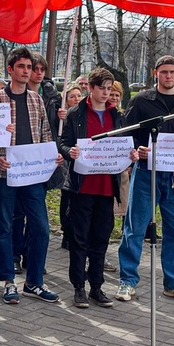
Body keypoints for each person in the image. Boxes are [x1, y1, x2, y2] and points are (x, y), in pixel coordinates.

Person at [114, 55, 174, 304]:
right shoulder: (142, 100)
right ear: (156, 73)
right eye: (164, 72)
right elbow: (127, 132)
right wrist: (135, 150)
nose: (169, 76)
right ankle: (127, 280)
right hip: (145, 173)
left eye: (172, 72)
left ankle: (173, 283)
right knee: (135, 228)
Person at [0, 47, 64, 304]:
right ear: (10, 69)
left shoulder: (35, 99)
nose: (26, 71)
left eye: (29, 67)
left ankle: (34, 282)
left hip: (31, 173)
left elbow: (44, 133)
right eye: (21, 67)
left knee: (41, 228)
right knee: (6, 227)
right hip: (4, 173)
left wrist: (50, 156)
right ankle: (9, 281)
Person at [60, 68, 134, 308]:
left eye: (109, 88)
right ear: (90, 88)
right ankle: (78, 286)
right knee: (79, 238)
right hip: (83, 186)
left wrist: (130, 155)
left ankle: (97, 286)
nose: (106, 93)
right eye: (101, 88)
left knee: (100, 239)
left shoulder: (117, 116)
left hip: (106, 186)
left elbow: (124, 146)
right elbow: (63, 143)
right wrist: (68, 152)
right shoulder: (76, 113)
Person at [57, 83, 84, 251]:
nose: (76, 99)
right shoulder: (65, 116)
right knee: (66, 197)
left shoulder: (83, 114)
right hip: (67, 160)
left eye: (78, 95)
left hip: (81, 160)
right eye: (72, 96)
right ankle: (66, 232)